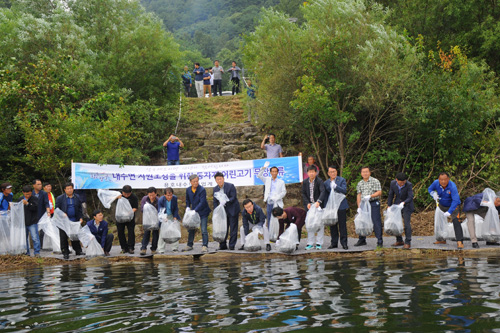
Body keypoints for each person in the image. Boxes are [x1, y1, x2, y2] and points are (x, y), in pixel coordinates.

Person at [428, 172, 463, 249]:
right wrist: (433, 193)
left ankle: (460, 241)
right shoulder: (435, 183)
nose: (443, 181)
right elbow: (430, 189)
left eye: (445, 179)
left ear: (448, 179)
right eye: (441, 180)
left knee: (456, 221)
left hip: (453, 206)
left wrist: (449, 212)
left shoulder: (452, 186)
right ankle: (441, 239)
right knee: (439, 222)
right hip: (442, 205)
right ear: (438, 179)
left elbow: (455, 200)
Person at [355, 166, 383, 248]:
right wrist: (359, 207)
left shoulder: (375, 181)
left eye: (366, 172)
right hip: (363, 203)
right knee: (362, 221)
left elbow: (379, 192)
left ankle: (379, 240)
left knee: (376, 221)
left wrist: (370, 196)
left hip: (373, 202)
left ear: (370, 172)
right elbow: (359, 195)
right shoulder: (360, 183)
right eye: (363, 172)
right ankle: (362, 239)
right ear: (361, 173)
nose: (365, 173)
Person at [55, 182, 84, 259]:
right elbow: (56, 210)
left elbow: (80, 209)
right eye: (68, 189)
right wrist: (62, 214)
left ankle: (78, 250)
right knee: (64, 237)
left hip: (74, 220)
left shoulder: (77, 197)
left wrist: (81, 217)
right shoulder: (60, 198)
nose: (70, 190)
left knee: (75, 236)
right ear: (65, 190)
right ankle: (65, 252)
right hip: (63, 222)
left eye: (71, 188)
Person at [323, 166, 349, 250]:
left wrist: (336, 187)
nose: (332, 173)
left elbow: (344, 190)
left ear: (336, 172)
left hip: (341, 205)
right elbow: (325, 195)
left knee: (342, 225)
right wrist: (325, 207)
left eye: (334, 171)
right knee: (332, 224)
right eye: (331, 172)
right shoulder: (326, 183)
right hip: (331, 206)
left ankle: (344, 243)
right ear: (328, 173)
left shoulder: (341, 180)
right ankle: (334, 243)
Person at [213, 172, 240, 250]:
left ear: (223, 179)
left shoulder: (230, 186)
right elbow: (215, 201)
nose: (219, 181)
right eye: (217, 179)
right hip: (222, 212)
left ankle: (232, 245)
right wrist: (217, 210)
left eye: (220, 179)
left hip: (232, 210)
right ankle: (223, 245)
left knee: (233, 229)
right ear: (216, 180)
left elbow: (233, 197)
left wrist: (226, 201)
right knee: (223, 228)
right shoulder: (215, 189)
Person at [387, 172, 415, 249]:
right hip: (397, 204)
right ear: (396, 180)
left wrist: (404, 202)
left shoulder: (409, 184)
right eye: (400, 182)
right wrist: (389, 205)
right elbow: (391, 194)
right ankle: (399, 240)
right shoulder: (393, 183)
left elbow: (410, 196)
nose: (402, 184)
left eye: (404, 182)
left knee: (406, 224)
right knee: (396, 223)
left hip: (407, 205)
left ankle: (407, 242)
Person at [185, 174, 211, 252]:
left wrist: (195, 210)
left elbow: (202, 202)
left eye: (197, 181)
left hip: (203, 212)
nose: (196, 183)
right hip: (193, 212)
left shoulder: (202, 189)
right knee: (191, 229)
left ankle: (205, 245)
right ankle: (189, 245)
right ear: (190, 182)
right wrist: (187, 207)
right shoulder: (188, 190)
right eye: (194, 181)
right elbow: (187, 200)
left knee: (203, 229)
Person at [301, 165, 325, 250]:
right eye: (309, 172)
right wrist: (307, 203)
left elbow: (322, 191)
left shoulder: (319, 181)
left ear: (316, 172)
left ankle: (319, 243)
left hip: (318, 206)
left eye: (313, 172)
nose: (311, 173)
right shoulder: (305, 182)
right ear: (307, 173)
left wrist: (319, 201)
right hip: (310, 206)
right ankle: (310, 243)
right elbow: (303, 193)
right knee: (309, 224)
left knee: (320, 224)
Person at [257, 162, 286, 228]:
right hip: (269, 202)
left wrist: (277, 197)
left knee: (279, 218)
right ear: (270, 172)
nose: (274, 173)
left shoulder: (281, 182)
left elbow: (284, 192)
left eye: (275, 171)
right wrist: (264, 168)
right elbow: (259, 175)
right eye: (273, 171)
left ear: (277, 172)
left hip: (277, 202)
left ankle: (278, 234)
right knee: (269, 217)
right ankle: (270, 234)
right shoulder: (267, 180)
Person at [157, 187, 182, 253]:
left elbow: (176, 208)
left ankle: (175, 248)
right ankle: (161, 249)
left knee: (174, 231)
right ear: (164, 195)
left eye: (171, 195)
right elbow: (160, 210)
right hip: (164, 216)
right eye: (168, 195)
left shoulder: (174, 198)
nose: (169, 197)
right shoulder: (161, 200)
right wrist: (164, 218)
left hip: (172, 215)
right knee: (163, 232)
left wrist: (175, 217)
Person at [116, 185, 138, 254]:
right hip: (120, 216)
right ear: (122, 192)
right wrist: (117, 197)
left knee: (131, 232)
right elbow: (111, 198)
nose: (126, 195)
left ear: (131, 192)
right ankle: (124, 248)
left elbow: (135, 207)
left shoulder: (134, 197)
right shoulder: (118, 194)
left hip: (129, 216)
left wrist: (130, 212)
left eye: (128, 194)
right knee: (120, 232)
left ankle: (131, 247)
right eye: (124, 194)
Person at [19, 185, 40, 257]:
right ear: (23, 193)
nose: (28, 195)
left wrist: (27, 204)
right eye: (26, 194)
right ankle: (27, 252)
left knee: (35, 238)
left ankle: (37, 252)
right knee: (24, 238)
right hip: (23, 222)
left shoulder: (35, 199)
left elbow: (35, 208)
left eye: (29, 194)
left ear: (31, 192)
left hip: (32, 221)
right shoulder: (20, 199)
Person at [140, 187, 159, 255]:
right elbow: (142, 209)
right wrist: (147, 207)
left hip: (155, 219)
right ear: (147, 194)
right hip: (147, 219)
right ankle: (143, 248)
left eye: (153, 195)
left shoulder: (158, 200)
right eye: (150, 195)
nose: (151, 197)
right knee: (146, 233)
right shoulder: (144, 199)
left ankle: (153, 249)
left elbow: (159, 211)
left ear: (156, 194)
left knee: (155, 234)